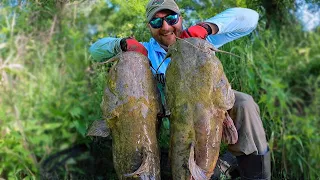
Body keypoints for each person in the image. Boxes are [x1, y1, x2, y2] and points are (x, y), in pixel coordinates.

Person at [89, 0, 271, 179]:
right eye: (156, 21)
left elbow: (251, 18)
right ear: (149, 26)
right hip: (163, 114)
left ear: (181, 18)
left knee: (244, 103)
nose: (166, 27)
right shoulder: (144, 51)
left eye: (171, 18)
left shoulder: (199, 41)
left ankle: (257, 174)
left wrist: (208, 27)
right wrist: (121, 44)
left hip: (202, 111)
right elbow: (94, 51)